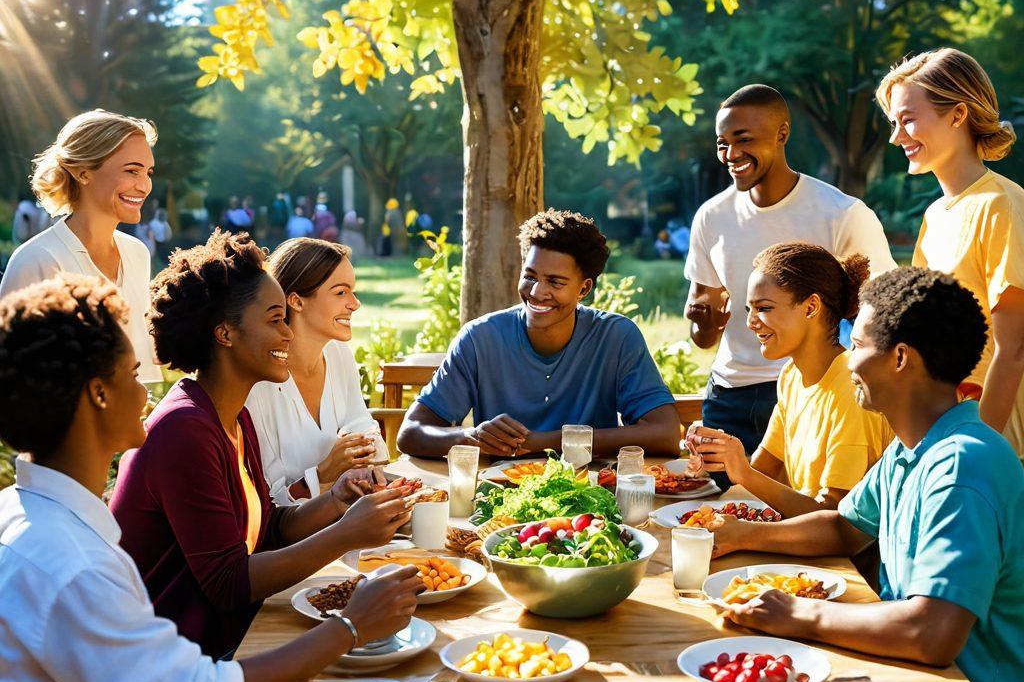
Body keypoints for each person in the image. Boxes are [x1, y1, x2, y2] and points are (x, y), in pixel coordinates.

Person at [0, 273, 438, 682]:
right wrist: (352, 625)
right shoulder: (72, 567)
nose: (148, 393)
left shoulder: (33, 517)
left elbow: (263, 531)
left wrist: (333, 506)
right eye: (133, 375)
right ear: (97, 394)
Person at [712, 267, 1024, 682]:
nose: (849, 359)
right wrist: (736, 536)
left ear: (900, 358)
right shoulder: (915, 448)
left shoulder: (962, 465)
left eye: (857, 344)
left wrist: (798, 615)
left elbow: (933, 632)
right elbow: (842, 528)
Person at [110, 231, 416, 659]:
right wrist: (346, 533)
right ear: (225, 333)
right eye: (275, 319)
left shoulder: (228, 418)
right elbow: (229, 581)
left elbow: (267, 527)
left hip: (227, 636)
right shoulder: (184, 430)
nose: (288, 334)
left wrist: (336, 501)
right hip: (174, 662)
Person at [683, 84, 896, 484]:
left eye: (742, 139)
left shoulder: (842, 213)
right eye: (722, 144)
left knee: (793, 517)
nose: (731, 154)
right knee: (722, 514)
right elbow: (703, 334)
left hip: (813, 389)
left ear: (782, 133)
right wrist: (703, 321)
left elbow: (885, 316)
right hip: (729, 394)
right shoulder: (711, 217)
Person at [397, 209, 681, 459]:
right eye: (530, 276)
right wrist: (475, 438)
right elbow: (410, 432)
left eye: (555, 282)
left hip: (590, 498)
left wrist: (543, 442)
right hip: (495, 496)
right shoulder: (479, 338)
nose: (536, 292)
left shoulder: (617, 337)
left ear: (583, 289)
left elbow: (666, 434)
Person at [877, 47, 1024, 461]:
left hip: (997, 452)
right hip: (946, 439)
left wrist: (979, 451)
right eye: (894, 122)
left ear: (957, 115)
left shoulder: (1002, 205)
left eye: (907, 120)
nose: (896, 137)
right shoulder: (935, 215)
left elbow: (1014, 349)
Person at [688, 242, 892, 517]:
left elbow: (835, 519)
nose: (751, 322)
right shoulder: (791, 376)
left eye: (764, 308)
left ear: (811, 308)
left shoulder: (852, 389)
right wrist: (721, 454)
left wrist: (743, 472)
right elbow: (763, 469)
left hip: (838, 559)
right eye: (749, 309)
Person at [0, 109, 162, 382]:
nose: (145, 185)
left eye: (148, 172)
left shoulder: (138, 254)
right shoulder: (38, 260)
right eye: (132, 170)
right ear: (83, 172)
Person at [247, 238, 388, 504]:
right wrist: (324, 472)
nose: (355, 304)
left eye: (353, 291)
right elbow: (269, 504)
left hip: (347, 520)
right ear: (296, 301)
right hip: (294, 541)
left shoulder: (337, 353)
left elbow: (360, 421)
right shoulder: (258, 385)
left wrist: (364, 454)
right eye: (341, 292)